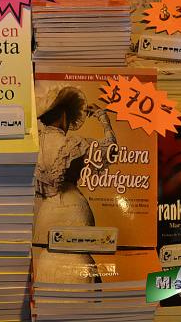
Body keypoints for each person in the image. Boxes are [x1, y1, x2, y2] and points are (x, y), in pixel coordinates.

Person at [33, 86, 116, 284]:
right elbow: (111, 149)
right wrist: (104, 120)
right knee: (80, 267)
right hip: (74, 211)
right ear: (63, 115)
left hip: (45, 214)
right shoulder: (72, 144)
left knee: (48, 269)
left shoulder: (33, 146)